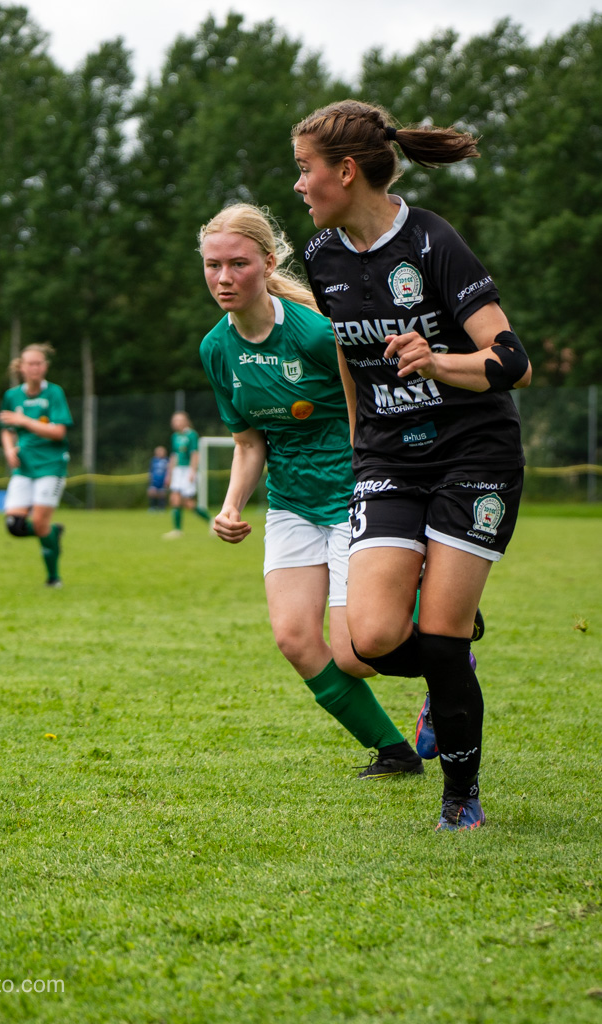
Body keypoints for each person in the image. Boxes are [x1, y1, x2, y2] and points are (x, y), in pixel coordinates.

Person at [292, 99, 532, 829]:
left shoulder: (431, 240)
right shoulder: (321, 256)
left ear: (346, 171)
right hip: (388, 457)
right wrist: (359, 443)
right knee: (367, 638)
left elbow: (512, 362)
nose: (298, 185)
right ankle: (450, 660)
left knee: (440, 637)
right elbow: (349, 358)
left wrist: (437, 361)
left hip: (473, 453)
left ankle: (460, 801)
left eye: (305, 169)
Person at [198, 202, 422, 779]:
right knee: (295, 639)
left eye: (238, 264)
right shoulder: (216, 349)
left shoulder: (318, 334)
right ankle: (394, 751)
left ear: (268, 263)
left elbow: (367, 412)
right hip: (291, 504)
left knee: (358, 653)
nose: (224, 278)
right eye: (213, 266)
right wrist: (230, 506)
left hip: (353, 495)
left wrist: (382, 484)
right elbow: (249, 443)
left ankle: (444, 642)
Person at [0, 344, 72, 588]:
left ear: (45, 367)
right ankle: (53, 533)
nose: (34, 368)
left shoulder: (54, 393)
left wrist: (24, 421)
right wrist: (9, 449)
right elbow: (7, 429)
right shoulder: (12, 396)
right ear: (21, 367)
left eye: (39, 363)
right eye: (30, 363)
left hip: (51, 466)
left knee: (39, 522)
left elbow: (59, 432)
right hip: (24, 467)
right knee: (14, 526)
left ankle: (53, 577)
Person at [163, 411, 211, 538]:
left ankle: (211, 521)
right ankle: (177, 530)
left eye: (178, 420)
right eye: (174, 420)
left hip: (187, 470)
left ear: (185, 421)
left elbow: (194, 454)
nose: (176, 423)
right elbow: (174, 456)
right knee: (175, 498)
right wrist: (169, 474)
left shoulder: (191, 435)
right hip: (177, 471)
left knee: (188, 502)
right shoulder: (174, 436)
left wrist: (192, 471)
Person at [147, 445, 169, 511]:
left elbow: (169, 470)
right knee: (152, 492)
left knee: (162, 494)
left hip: (163, 480)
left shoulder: (167, 460)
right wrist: (149, 477)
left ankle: (161, 507)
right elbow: (150, 470)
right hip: (154, 480)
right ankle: (153, 507)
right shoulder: (153, 460)